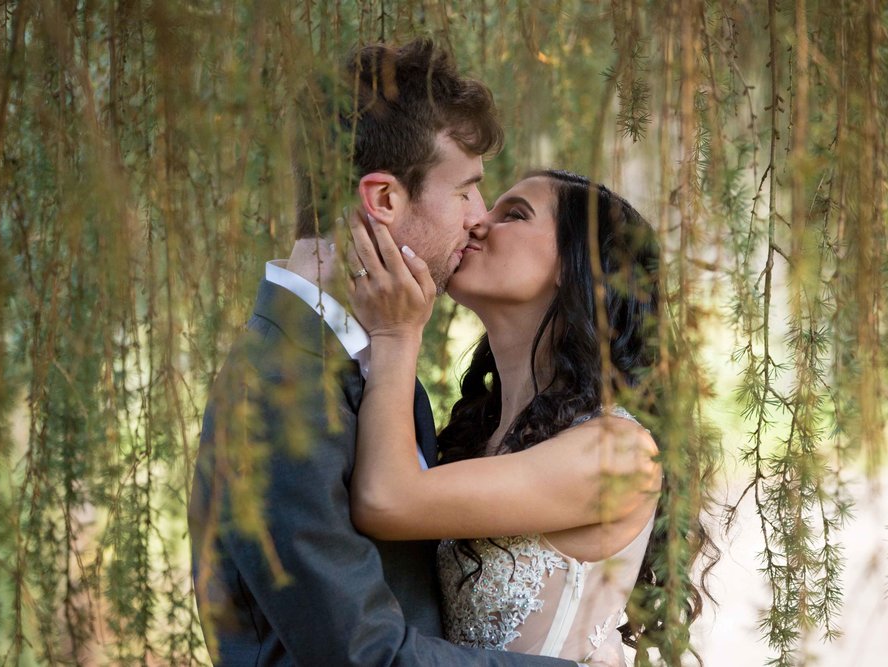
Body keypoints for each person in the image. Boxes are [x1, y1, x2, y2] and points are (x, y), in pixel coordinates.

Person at [188, 41, 577, 665]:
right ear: (385, 200)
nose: (480, 219)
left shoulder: (368, 359)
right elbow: (364, 655)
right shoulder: (277, 388)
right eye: (467, 191)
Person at [346, 170, 709, 664]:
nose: (476, 221)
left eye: (514, 214)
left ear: (580, 266)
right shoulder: (483, 435)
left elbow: (385, 500)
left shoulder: (618, 452)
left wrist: (395, 335)